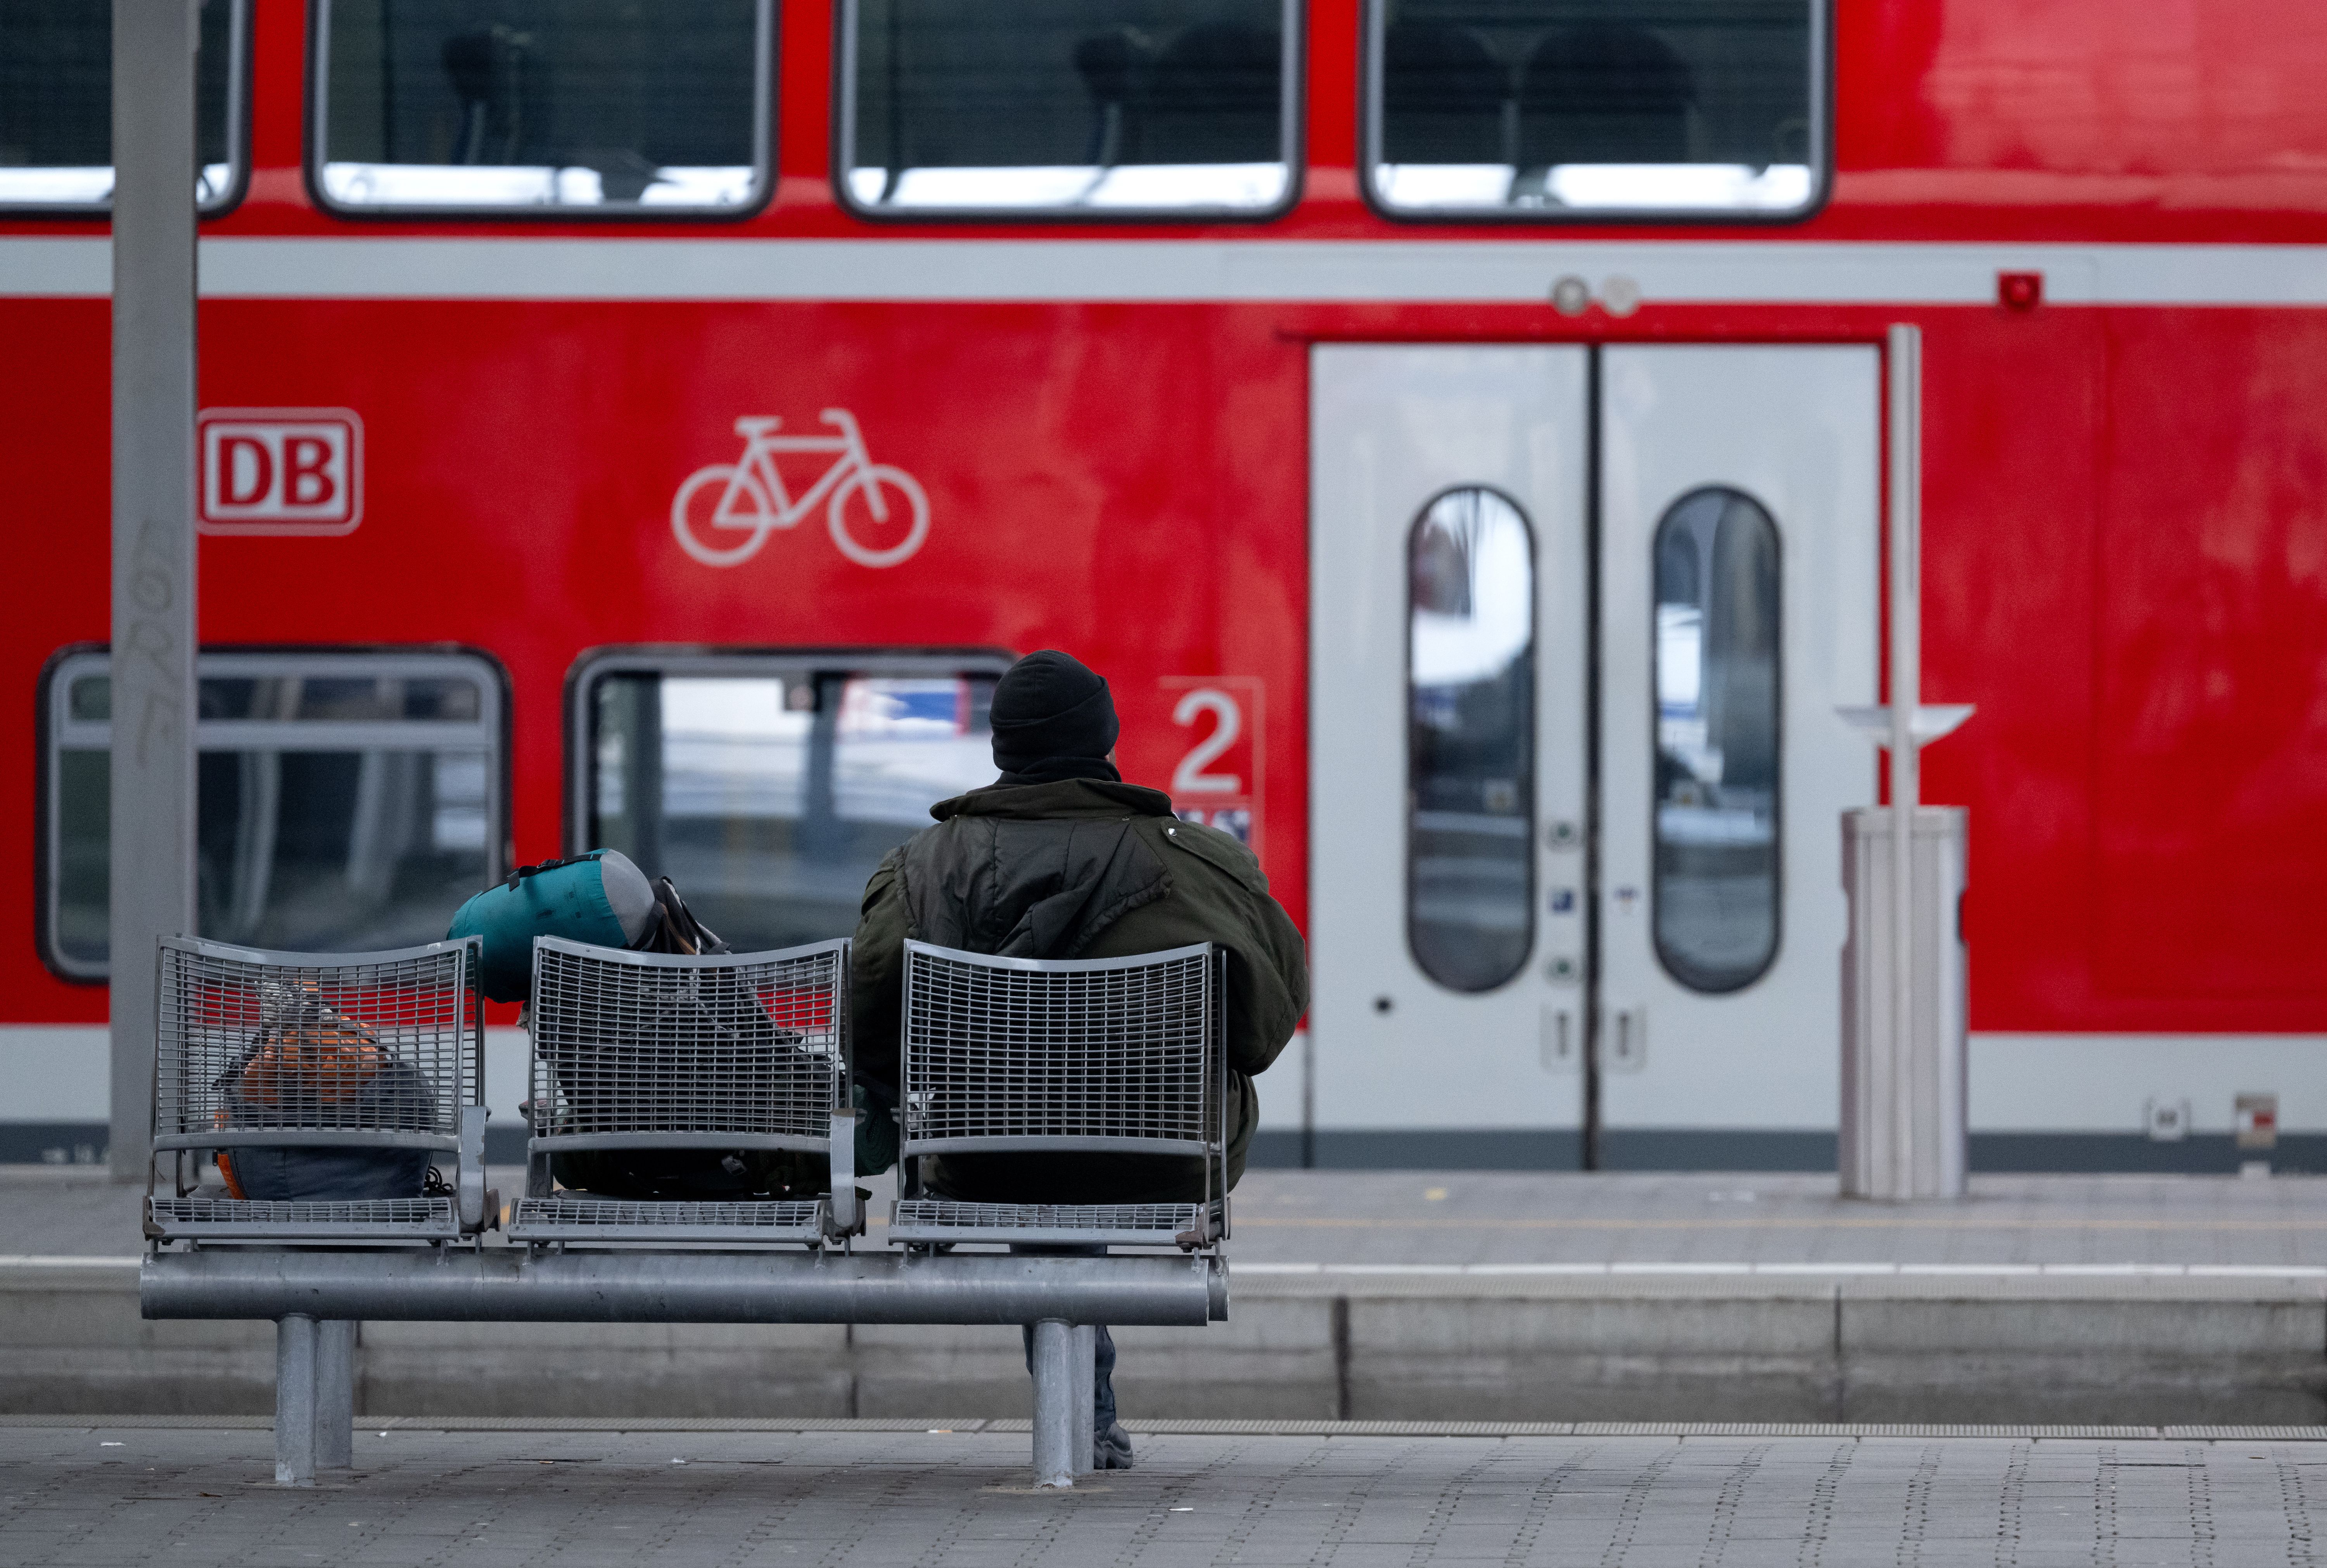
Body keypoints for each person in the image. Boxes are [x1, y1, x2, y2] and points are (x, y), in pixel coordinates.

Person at [851, 649, 1308, 1469]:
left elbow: (870, 1034)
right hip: (1163, 1160)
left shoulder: (918, 870)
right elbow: (1264, 1032)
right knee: (1079, 1139)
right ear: (1105, 739)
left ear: (1002, 749)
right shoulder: (1204, 865)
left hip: (976, 1159)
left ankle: (1086, 1421)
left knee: (1034, 1144)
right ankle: (1086, 1423)